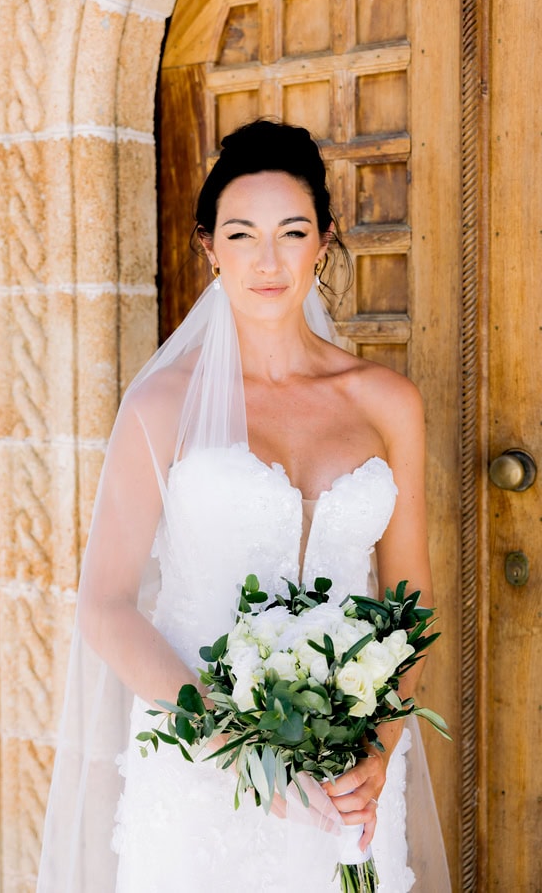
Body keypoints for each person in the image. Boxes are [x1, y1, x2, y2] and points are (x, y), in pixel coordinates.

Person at [37, 120, 450, 892]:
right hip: (205, 769)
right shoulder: (163, 405)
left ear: (323, 241)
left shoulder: (388, 403)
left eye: (292, 232)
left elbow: (410, 599)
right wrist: (241, 746)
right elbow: (106, 606)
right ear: (209, 247)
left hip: (347, 778)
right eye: (242, 233)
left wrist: (379, 746)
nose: (268, 260)